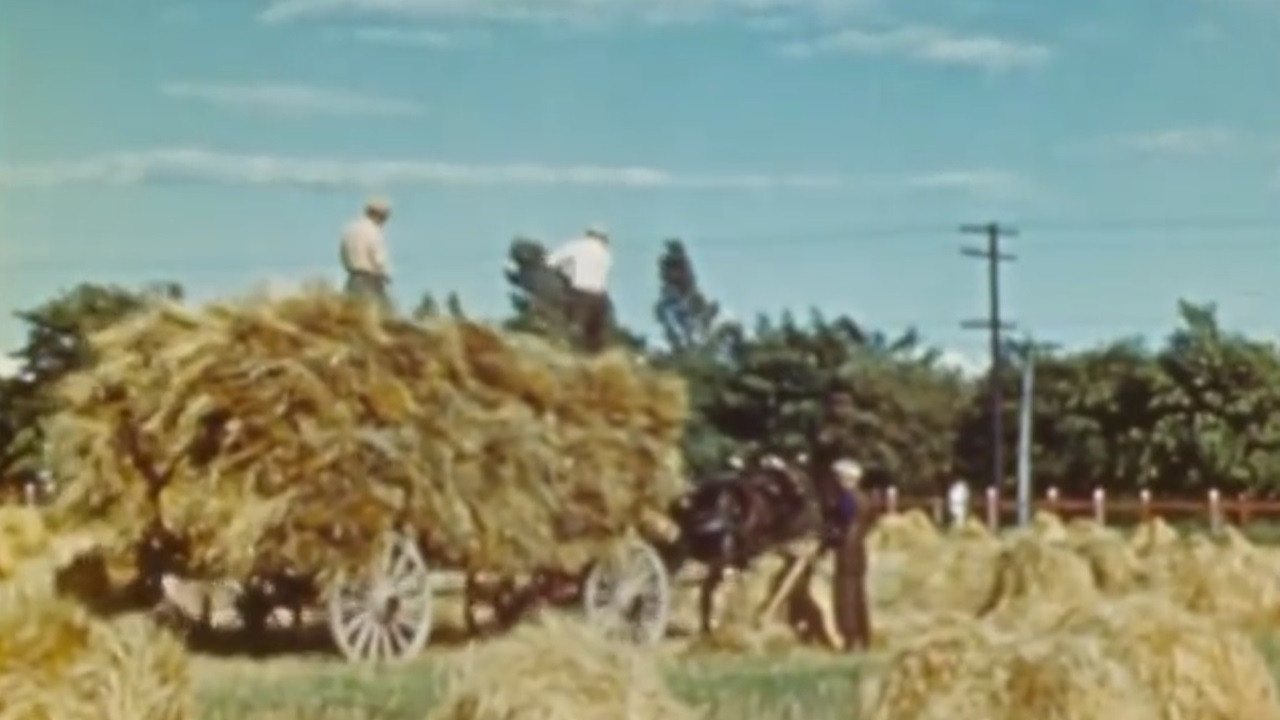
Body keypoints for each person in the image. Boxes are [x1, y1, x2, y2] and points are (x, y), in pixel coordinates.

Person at [808, 389, 873, 652]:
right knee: (858, 594)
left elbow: (843, 519)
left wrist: (829, 536)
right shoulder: (864, 498)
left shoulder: (848, 499)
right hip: (860, 550)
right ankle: (863, 636)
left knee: (844, 595)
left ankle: (848, 638)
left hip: (847, 549)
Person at [545, 225, 613, 352]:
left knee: (574, 329)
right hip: (600, 297)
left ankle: (566, 352)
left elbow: (550, 262)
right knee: (595, 337)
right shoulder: (606, 254)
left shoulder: (576, 246)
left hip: (580, 293)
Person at [339, 197, 393, 310]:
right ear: (379, 215)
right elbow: (378, 257)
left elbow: (343, 253)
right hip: (370, 280)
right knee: (381, 314)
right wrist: (385, 274)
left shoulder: (350, 229)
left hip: (352, 279)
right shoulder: (373, 231)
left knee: (353, 312)